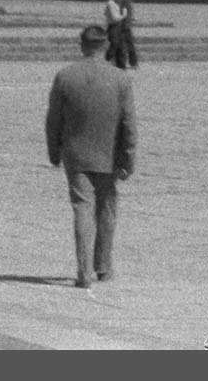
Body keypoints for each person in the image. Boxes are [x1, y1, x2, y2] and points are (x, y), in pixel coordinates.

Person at [45, 25, 136, 288]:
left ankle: (84, 272)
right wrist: (128, 158)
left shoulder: (65, 76)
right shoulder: (120, 78)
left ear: (82, 46)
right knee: (106, 209)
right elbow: (129, 123)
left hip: (76, 154)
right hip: (109, 154)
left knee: (82, 208)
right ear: (106, 46)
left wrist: (53, 151)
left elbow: (54, 120)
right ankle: (103, 266)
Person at [104, 0, 138, 70]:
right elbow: (128, 12)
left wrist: (125, 18)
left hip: (122, 25)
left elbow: (123, 13)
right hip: (123, 24)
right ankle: (130, 63)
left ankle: (120, 63)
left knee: (121, 45)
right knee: (124, 45)